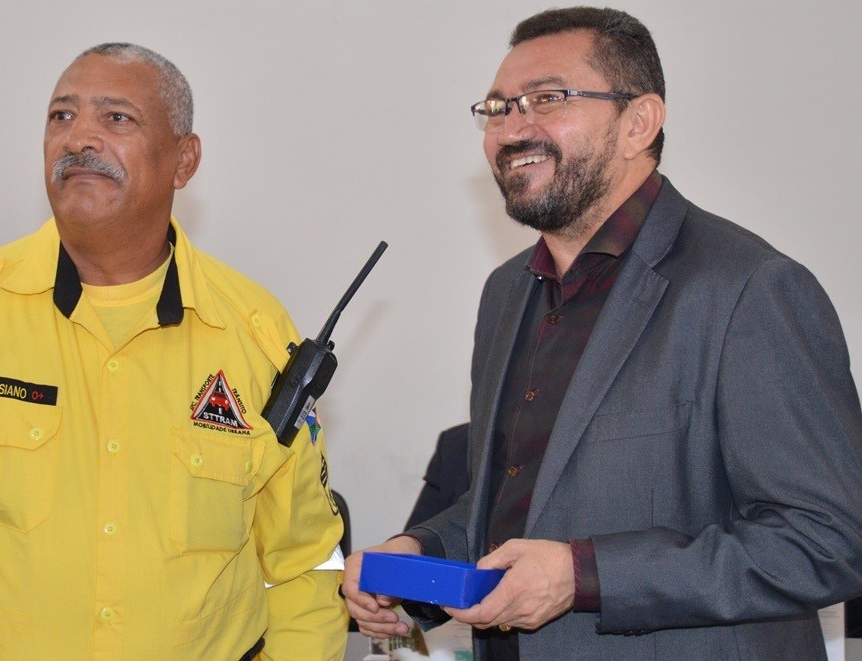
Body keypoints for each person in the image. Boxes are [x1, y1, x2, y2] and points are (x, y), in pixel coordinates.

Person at [343, 7, 862, 659]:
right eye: (499, 107)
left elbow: (831, 540)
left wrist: (586, 576)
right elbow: (512, 503)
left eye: (547, 98)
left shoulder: (750, 289)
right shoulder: (507, 292)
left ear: (638, 123)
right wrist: (419, 552)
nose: (512, 127)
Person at [0, 43, 346, 660]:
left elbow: (305, 562)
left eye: (116, 118)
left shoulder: (256, 331)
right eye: (62, 116)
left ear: (183, 161)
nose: (79, 137)